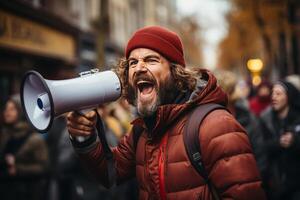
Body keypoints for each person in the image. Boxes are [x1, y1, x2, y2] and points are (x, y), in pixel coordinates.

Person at [67, 26, 266, 199]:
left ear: (175, 71)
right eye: (133, 63)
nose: (139, 68)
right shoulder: (142, 131)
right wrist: (84, 138)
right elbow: (110, 173)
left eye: (151, 60)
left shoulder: (216, 125)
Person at [258, 80, 300, 200]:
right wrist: (278, 143)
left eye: (278, 94)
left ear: (288, 96)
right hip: (274, 183)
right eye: (272, 93)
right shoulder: (264, 119)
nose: (273, 97)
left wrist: (295, 140)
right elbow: (260, 146)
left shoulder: (297, 117)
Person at [0, 97, 49, 200]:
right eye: (6, 109)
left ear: (21, 112)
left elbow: (43, 168)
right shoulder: (4, 134)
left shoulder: (34, 139)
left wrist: (17, 169)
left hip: (26, 192)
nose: (7, 112)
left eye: (12, 109)